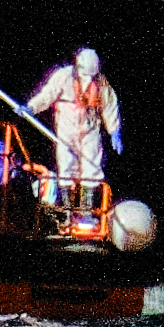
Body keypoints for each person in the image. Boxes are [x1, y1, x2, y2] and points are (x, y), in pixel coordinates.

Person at [27, 47, 121, 229]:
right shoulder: (63, 77)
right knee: (66, 166)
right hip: (66, 130)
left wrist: (114, 132)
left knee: (92, 168)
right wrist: (30, 108)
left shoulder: (101, 84)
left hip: (90, 130)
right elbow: (47, 95)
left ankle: (86, 212)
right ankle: (67, 213)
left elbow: (110, 107)